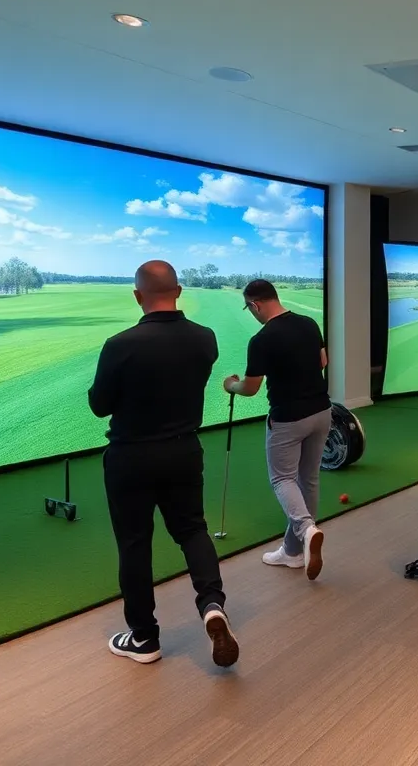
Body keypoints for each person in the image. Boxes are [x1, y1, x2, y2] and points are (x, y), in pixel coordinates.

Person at [88, 260, 239, 668]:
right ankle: (212, 605)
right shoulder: (205, 339)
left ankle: (144, 637)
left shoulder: (120, 344)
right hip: (184, 451)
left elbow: (99, 406)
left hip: (130, 457)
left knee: (135, 544)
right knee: (192, 529)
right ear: (179, 290)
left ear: (138, 296)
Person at [224, 279, 331, 580]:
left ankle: (307, 529)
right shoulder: (308, 323)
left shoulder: (261, 339)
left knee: (283, 479)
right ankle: (293, 552)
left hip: (288, 418)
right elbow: (323, 360)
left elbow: (251, 388)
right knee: (307, 479)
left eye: (249, 308)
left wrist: (230, 385)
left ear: (255, 305)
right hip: (322, 411)